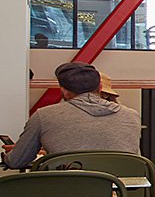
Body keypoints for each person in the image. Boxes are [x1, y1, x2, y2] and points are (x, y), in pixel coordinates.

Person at [6, 61, 143, 168]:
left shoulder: (44, 116)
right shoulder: (131, 116)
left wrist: (12, 154)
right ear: (100, 88)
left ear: (64, 91)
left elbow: (16, 161)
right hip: (123, 195)